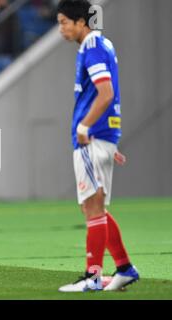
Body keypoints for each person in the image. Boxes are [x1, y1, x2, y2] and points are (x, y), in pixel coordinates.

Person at [56, 0, 139, 292]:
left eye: (64, 22)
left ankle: (93, 276)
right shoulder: (101, 46)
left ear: (81, 22)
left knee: (91, 207)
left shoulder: (92, 47)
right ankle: (125, 268)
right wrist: (107, 138)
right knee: (97, 206)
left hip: (91, 138)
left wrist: (85, 127)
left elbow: (106, 93)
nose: (61, 29)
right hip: (101, 138)